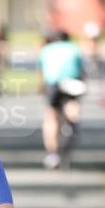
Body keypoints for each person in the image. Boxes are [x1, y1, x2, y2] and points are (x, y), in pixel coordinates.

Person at [38, 30, 85, 169]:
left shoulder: (46, 49)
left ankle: (52, 153)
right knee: (72, 105)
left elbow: (41, 72)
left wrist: (41, 88)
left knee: (51, 116)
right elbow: (81, 69)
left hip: (54, 84)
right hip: (72, 82)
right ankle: (72, 123)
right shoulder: (75, 49)